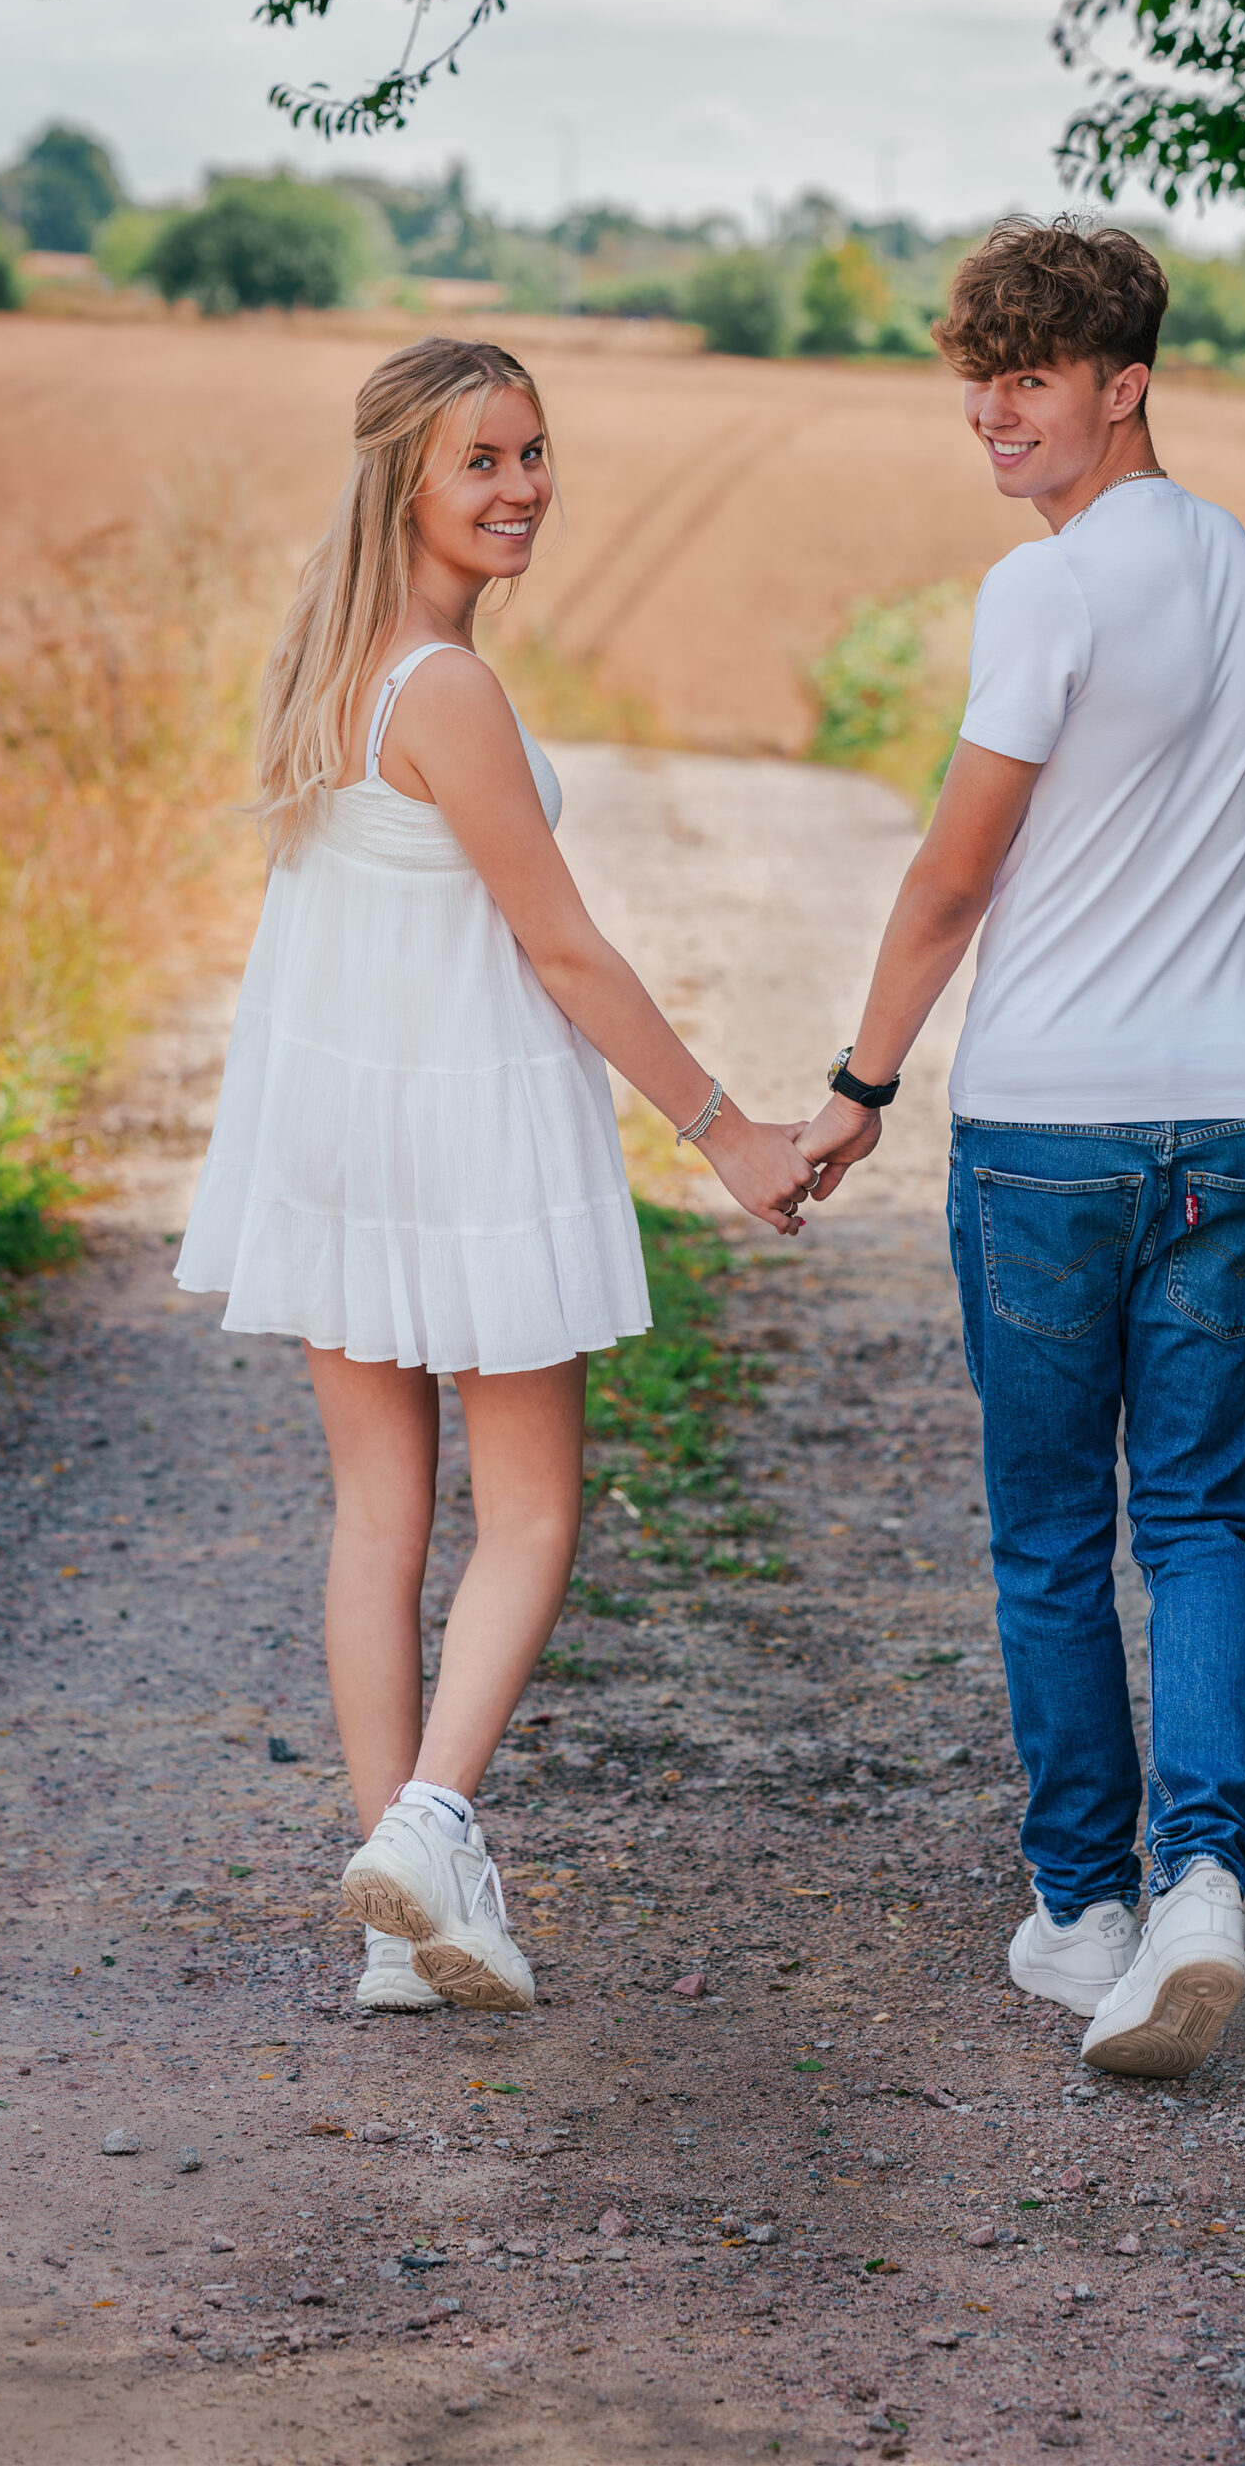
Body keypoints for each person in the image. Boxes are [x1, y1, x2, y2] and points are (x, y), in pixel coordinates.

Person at [798, 220, 1245, 2078]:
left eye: (1032, 377)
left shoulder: (1044, 591)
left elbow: (955, 876)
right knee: (1202, 1523)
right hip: (1218, 1118)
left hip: (1046, 1131)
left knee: (1054, 1534)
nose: (994, 411)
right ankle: (1205, 1888)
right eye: (979, 375)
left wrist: (861, 1087)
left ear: (1124, 380)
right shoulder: (1243, 570)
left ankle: (1088, 1912)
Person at [176, 337, 813, 2015]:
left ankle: (405, 1928)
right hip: (462, 1136)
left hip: (343, 1137)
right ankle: (437, 1827)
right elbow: (562, 948)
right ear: (410, 479)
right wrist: (727, 1129)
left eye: (536, 453)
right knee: (530, 1508)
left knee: (381, 1514)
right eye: (488, 461)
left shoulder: (341, 666)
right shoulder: (445, 688)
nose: (526, 487)